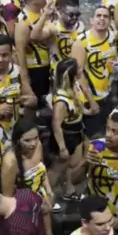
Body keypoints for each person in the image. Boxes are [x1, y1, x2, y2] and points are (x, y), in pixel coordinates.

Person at [1, 117, 55, 235]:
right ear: (17, 140)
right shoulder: (10, 161)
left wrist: (49, 192)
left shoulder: (38, 146)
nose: (33, 143)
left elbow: (42, 170)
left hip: (42, 199)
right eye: (27, 140)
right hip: (23, 208)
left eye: (36, 138)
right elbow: (7, 197)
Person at [71, 6, 118, 135]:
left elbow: (113, 57)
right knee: (94, 136)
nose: (102, 19)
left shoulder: (111, 37)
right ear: (91, 20)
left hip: (107, 92)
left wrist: (117, 63)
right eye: (98, 15)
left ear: (110, 21)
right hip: (89, 97)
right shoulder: (81, 42)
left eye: (106, 16)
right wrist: (91, 100)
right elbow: (78, 74)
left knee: (107, 131)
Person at [51, 58, 86, 200]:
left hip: (77, 131)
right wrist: (62, 147)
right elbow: (56, 124)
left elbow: (78, 105)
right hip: (66, 135)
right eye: (79, 68)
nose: (81, 69)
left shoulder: (75, 86)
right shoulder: (61, 100)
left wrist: (87, 111)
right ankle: (45, 196)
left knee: (72, 164)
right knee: (57, 169)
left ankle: (69, 190)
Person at [14, 0, 55, 105]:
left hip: (47, 65)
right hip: (35, 69)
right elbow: (20, 51)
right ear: (32, 0)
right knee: (37, 104)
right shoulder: (23, 20)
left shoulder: (42, 12)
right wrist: (25, 80)